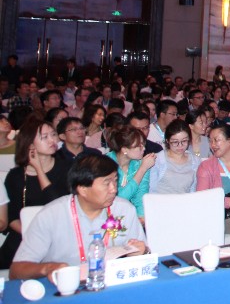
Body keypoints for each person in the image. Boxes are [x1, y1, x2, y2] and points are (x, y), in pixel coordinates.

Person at [9, 154, 147, 281]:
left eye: (115, 181)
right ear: (83, 189)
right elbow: (16, 271)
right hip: (65, 288)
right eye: (107, 183)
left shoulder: (124, 209)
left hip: (112, 283)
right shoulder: (51, 215)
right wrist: (47, 268)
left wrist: (141, 251)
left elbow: (144, 254)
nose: (114, 189)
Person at [0, 116, 73, 268]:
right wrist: (33, 236)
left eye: (53, 134)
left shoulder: (68, 167)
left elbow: (58, 205)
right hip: (24, 236)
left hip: (61, 235)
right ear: (30, 144)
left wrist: (39, 169)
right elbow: (12, 216)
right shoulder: (16, 176)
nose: (52, 140)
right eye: (44, 137)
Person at [106, 126, 156, 222]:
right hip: (108, 212)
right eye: (139, 146)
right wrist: (142, 170)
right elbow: (117, 199)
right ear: (124, 150)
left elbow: (141, 194)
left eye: (143, 144)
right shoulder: (106, 163)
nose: (144, 148)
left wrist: (142, 216)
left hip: (129, 213)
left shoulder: (140, 164)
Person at [149, 120, 200, 194]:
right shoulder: (157, 159)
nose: (180, 145)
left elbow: (193, 189)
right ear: (167, 141)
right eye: (175, 142)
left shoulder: (195, 161)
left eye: (184, 141)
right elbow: (151, 189)